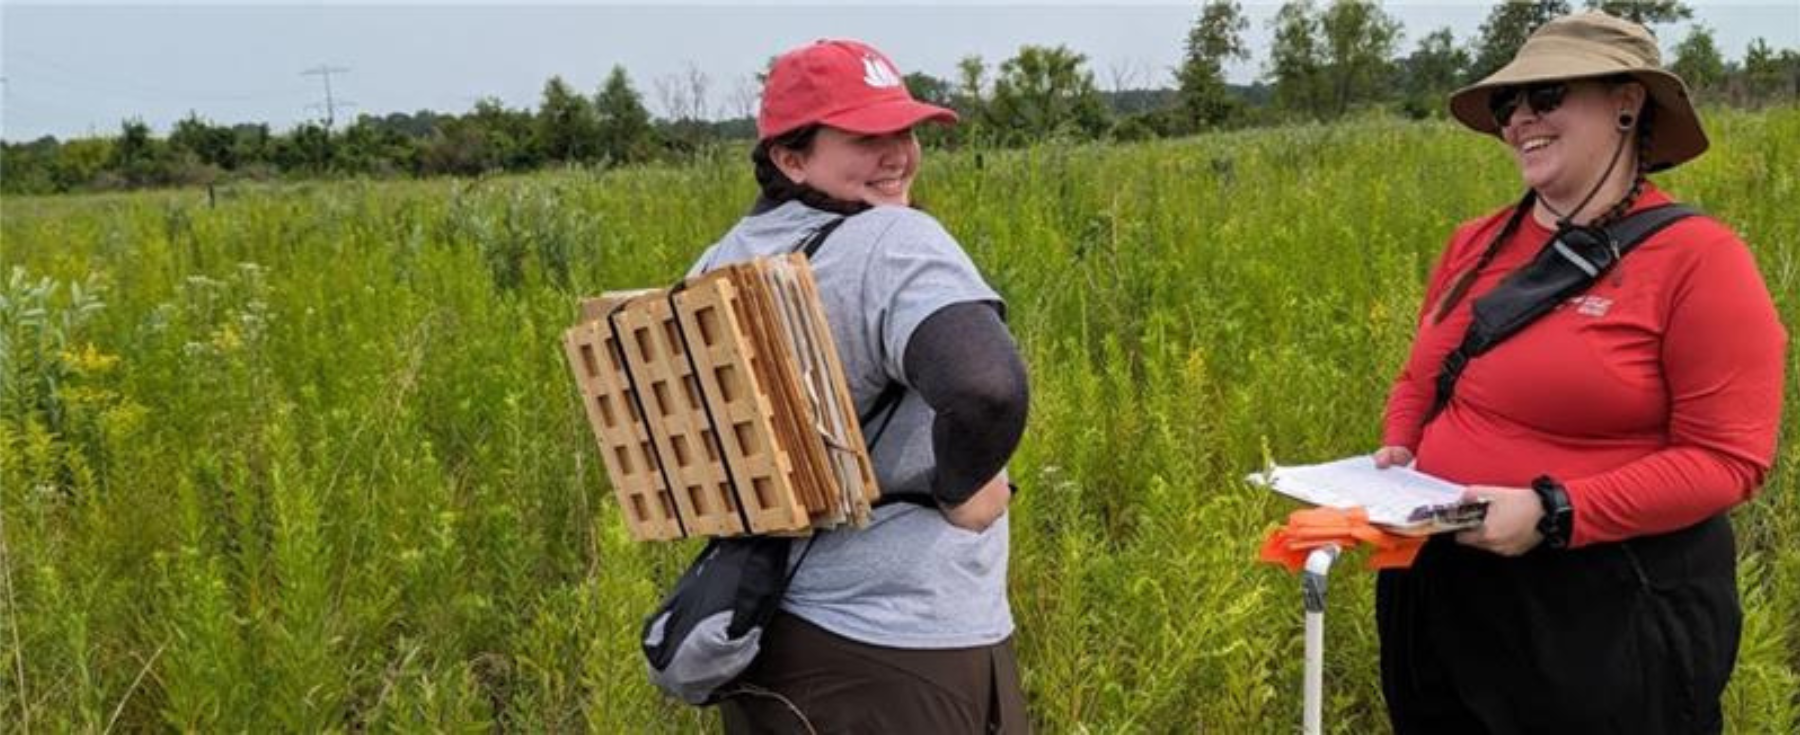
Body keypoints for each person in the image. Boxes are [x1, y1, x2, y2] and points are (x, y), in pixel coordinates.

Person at [1372, 11, 1786, 734]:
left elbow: (1729, 459)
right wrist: (1400, 451)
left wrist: (1555, 511)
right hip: (1441, 586)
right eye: (1508, 105)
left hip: (1600, 611)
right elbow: (1421, 379)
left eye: (1547, 95)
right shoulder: (1474, 243)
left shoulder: (1700, 260)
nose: (1520, 120)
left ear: (1628, 103)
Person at [686, 39, 1031, 733]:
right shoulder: (893, 240)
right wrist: (960, 483)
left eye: (903, 129)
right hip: (904, 644)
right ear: (790, 156)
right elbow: (988, 389)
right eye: (866, 135)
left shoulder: (719, 263)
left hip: (764, 632)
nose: (898, 153)